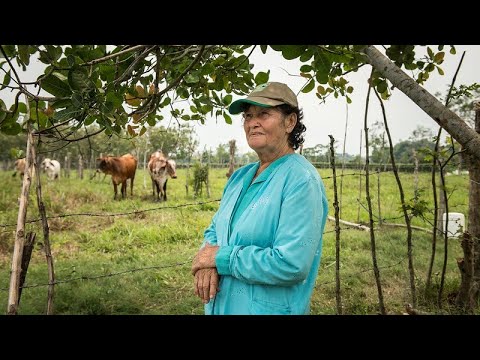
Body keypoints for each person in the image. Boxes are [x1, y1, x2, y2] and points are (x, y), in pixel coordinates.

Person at [191, 82, 329, 315]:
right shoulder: (239, 177)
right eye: (248, 116)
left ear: (290, 122)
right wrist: (207, 261)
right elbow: (215, 230)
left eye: (263, 114)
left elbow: (290, 263)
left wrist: (220, 257)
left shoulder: (300, 180)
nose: (252, 122)